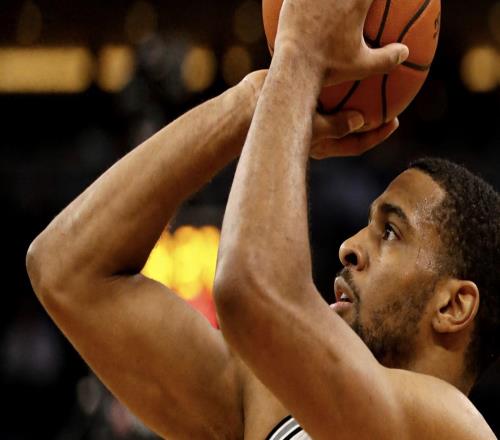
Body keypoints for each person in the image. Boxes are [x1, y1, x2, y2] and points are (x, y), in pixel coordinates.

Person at [26, 0, 499, 438]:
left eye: (390, 232)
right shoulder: (268, 402)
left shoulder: (453, 427)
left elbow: (250, 290)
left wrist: (300, 56)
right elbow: (66, 269)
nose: (350, 247)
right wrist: (253, 100)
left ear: (454, 305)